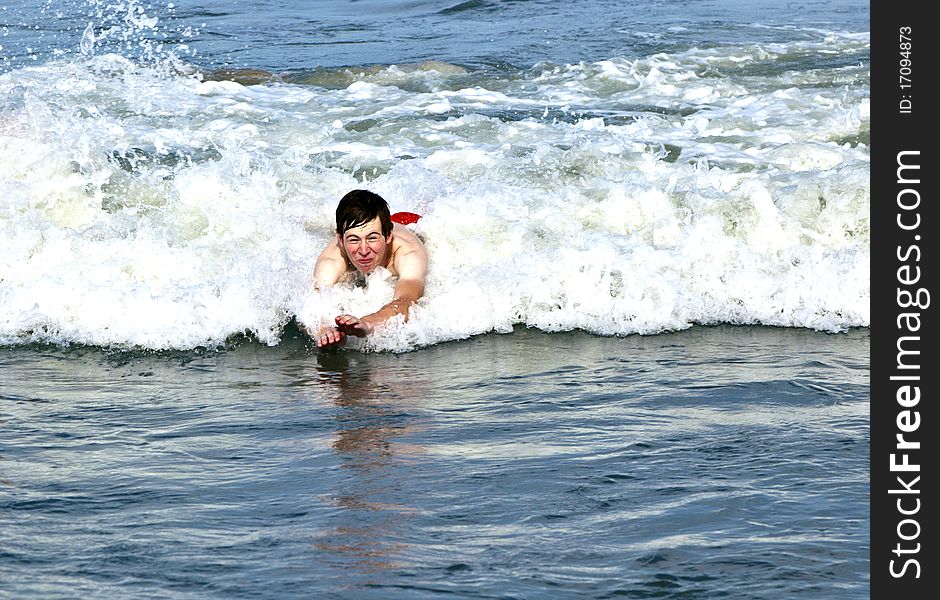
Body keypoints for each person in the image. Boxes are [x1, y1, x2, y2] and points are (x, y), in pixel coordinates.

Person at [312, 189, 428, 349]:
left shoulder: (408, 254)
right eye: (353, 240)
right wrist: (323, 329)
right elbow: (313, 301)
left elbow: (406, 301)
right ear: (340, 239)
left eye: (372, 238)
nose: (364, 250)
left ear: (388, 236)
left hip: (410, 221)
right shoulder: (331, 260)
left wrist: (368, 323)